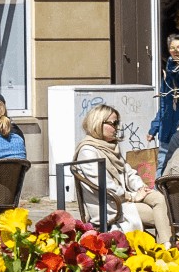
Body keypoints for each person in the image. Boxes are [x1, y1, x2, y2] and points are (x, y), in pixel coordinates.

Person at [71, 101, 172, 240]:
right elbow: (104, 185)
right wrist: (132, 197)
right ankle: (165, 249)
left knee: (159, 199)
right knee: (161, 215)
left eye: (118, 123)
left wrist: (141, 188)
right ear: (98, 124)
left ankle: (164, 246)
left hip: (124, 198)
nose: (117, 128)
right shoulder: (87, 150)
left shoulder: (110, 146)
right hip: (110, 206)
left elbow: (129, 173)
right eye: (114, 123)